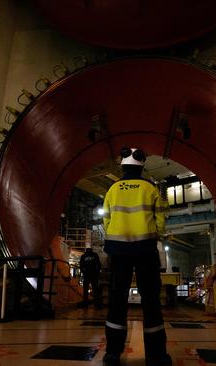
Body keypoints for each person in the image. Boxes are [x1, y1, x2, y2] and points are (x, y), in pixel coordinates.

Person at [101, 147, 171, 366]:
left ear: (122, 165)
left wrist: (115, 238)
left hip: (118, 250)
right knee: (151, 300)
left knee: (117, 299)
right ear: (142, 166)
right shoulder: (150, 188)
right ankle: (156, 356)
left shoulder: (113, 189)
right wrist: (154, 236)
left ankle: (112, 354)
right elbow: (160, 220)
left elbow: (106, 219)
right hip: (145, 250)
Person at [79, 242, 102, 308]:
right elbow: (99, 264)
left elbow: (81, 265)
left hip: (86, 275)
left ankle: (85, 304)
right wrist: (97, 272)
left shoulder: (83, 256)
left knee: (85, 290)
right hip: (94, 275)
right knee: (95, 290)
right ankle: (96, 304)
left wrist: (84, 272)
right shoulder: (95, 255)